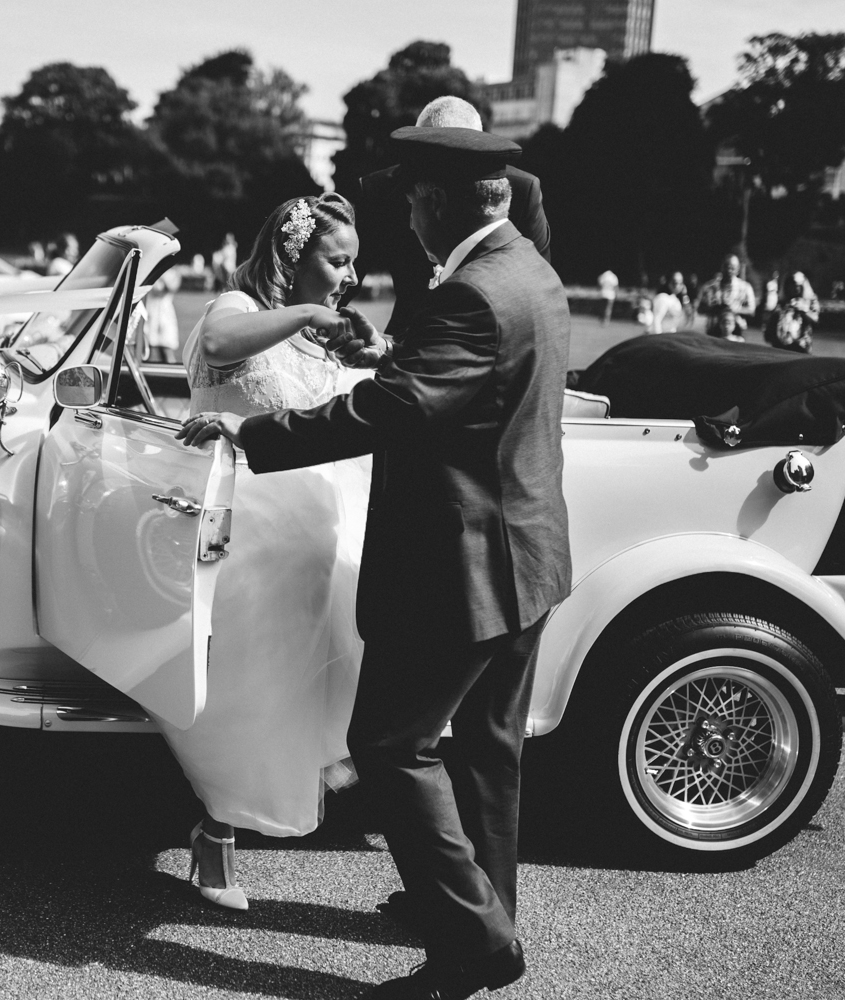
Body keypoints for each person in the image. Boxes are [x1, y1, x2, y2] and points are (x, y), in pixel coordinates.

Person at [182, 127, 571, 999]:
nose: (407, 219)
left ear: (434, 203)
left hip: (462, 562)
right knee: (486, 747)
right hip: (529, 552)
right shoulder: (529, 271)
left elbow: (397, 410)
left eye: (409, 204)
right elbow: (449, 386)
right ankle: (483, 910)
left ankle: (477, 946)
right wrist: (383, 355)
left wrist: (250, 433)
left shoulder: (470, 291)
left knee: (390, 745)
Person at [163, 192, 370, 911]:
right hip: (240, 530)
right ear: (292, 254)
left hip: (314, 534)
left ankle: (224, 825)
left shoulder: (322, 340)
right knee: (239, 688)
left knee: (300, 687)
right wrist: (312, 315)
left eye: (352, 263)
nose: (347, 276)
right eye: (336, 260)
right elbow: (219, 348)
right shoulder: (232, 304)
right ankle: (214, 832)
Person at [354, 96, 550, 337]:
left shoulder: (522, 189)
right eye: (428, 155)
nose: (443, 171)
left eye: (459, 156)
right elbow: (344, 274)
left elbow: (537, 283)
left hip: (487, 334)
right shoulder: (380, 190)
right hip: (407, 330)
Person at [696, 253, 757, 334]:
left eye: (733, 268)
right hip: (714, 330)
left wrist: (735, 309)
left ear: (738, 270)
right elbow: (700, 309)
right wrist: (713, 308)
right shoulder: (710, 287)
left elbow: (752, 311)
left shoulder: (745, 287)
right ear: (722, 267)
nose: (729, 270)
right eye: (727, 267)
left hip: (736, 330)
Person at [766, 271, 819, 353]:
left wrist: (803, 311)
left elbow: (816, 319)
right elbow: (770, 328)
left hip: (801, 348)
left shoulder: (810, 301)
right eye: (793, 284)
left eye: (799, 285)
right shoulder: (781, 303)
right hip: (780, 348)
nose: (796, 288)